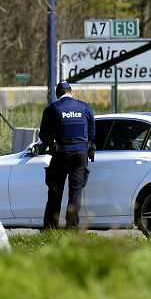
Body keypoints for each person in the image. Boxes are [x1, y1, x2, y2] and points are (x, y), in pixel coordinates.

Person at [39, 79, 95, 230]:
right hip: (81, 154)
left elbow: (43, 136)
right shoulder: (85, 107)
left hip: (61, 154)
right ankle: (72, 228)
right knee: (75, 192)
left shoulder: (52, 109)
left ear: (57, 95)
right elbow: (92, 133)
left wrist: (52, 140)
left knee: (55, 191)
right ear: (72, 92)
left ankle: (51, 227)